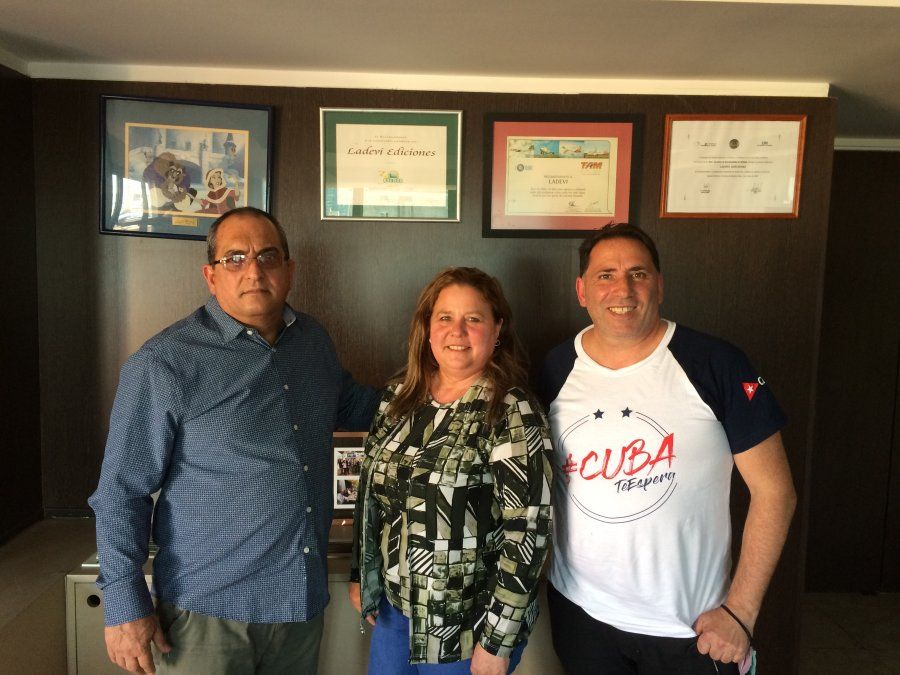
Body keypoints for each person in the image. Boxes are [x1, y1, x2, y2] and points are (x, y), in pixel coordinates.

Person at [89, 207, 379, 674]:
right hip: (206, 615)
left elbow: (356, 406)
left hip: (298, 609)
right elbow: (122, 491)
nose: (253, 270)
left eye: (268, 256)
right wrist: (125, 605)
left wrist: (448, 387)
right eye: (235, 258)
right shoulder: (164, 363)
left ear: (289, 269)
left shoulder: (313, 342)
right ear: (210, 274)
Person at [539, 224, 797, 674]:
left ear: (659, 284)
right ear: (582, 290)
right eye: (605, 275)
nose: (623, 288)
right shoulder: (556, 367)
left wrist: (741, 613)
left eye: (638, 273)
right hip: (582, 618)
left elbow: (776, 492)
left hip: (692, 630)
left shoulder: (716, 364)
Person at [349, 267, 553, 674]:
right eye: (445, 317)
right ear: (427, 328)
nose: (456, 330)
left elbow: (528, 533)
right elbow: (370, 495)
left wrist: (498, 641)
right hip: (396, 610)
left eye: (473, 319)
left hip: (466, 627)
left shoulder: (511, 411)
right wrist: (363, 574)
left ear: (497, 331)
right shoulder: (399, 396)